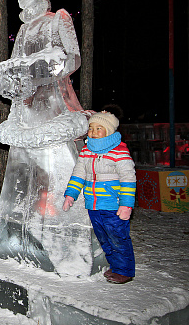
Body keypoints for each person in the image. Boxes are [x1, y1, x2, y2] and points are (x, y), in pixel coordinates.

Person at [62, 111, 136, 284]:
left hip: (113, 205)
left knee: (117, 237)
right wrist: (71, 194)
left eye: (99, 128)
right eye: (91, 128)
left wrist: (126, 205)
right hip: (93, 204)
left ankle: (124, 270)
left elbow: (128, 179)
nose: (93, 132)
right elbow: (78, 174)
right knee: (103, 237)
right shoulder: (87, 151)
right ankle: (115, 265)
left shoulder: (119, 152)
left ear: (109, 131)